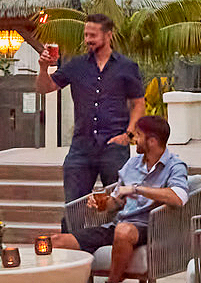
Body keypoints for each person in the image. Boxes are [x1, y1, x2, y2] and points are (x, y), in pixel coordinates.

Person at [73, 113, 188, 283]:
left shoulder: (174, 166)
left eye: (138, 135)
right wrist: (101, 204)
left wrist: (137, 189)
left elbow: (179, 197)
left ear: (151, 141)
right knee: (58, 241)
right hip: (118, 223)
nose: (134, 140)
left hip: (149, 226)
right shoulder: (132, 164)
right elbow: (116, 202)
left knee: (124, 231)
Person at [38, 11, 146, 210]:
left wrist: (128, 135)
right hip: (81, 146)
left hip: (114, 146)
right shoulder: (76, 65)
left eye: (93, 35)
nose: (88, 40)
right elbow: (45, 88)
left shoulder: (127, 67)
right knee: (74, 206)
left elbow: (139, 104)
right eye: (86, 35)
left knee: (120, 204)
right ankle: (72, 240)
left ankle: (115, 240)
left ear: (108, 35)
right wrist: (43, 69)